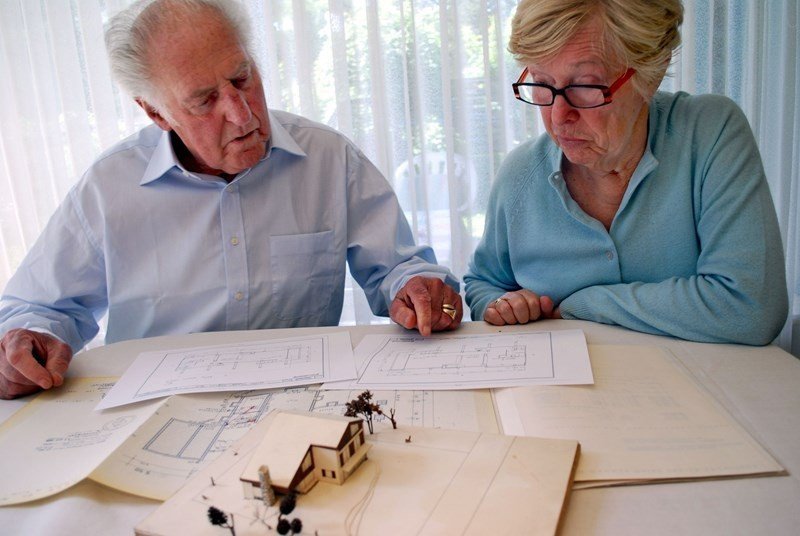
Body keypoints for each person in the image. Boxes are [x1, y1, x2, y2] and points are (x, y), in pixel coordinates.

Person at [0, 0, 462, 400]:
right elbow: (39, 309)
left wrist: (417, 289)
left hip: (299, 403)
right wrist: (27, 345)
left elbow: (398, 269)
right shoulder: (109, 186)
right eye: (204, 101)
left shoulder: (328, 157)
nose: (241, 115)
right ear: (156, 112)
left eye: (242, 79)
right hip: (154, 410)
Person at [464, 0, 788, 345]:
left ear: (652, 72)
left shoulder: (710, 133)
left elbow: (751, 308)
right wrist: (502, 307)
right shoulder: (519, 174)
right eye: (542, 83)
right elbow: (484, 284)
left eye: (585, 86)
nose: (558, 118)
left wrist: (583, 305)